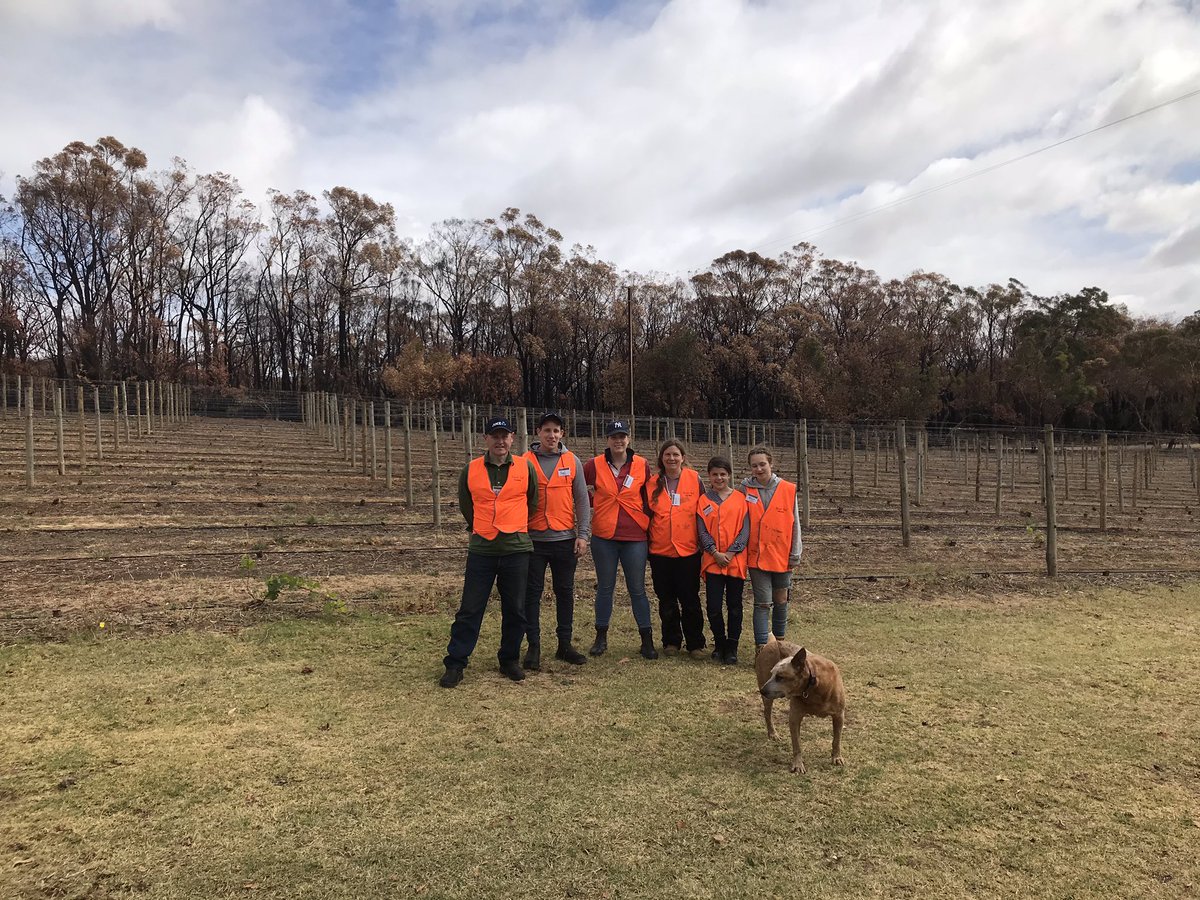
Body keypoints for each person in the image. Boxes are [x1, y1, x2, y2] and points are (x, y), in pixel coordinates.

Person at [439, 417, 540, 688]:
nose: (500, 441)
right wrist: (480, 526)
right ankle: (456, 662)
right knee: (470, 609)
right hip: (482, 549)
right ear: (486, 439)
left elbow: (532, 501)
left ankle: (509, 659)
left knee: (515, 609)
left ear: (512, 438)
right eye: (495, 436)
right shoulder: (471, 469)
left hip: (516, 548)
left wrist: (514, 525)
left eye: (505, 436)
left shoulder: (525, 467)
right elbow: (466, 504)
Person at [583, 420, 659, 660]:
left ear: (629, 439)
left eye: (622, 436)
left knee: (637, 589)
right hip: (604, 536)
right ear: (607, 439)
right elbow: (578, 490)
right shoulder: (594, 465)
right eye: (614, 436)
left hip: (635, 536)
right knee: (605, 588)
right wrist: (594, 502)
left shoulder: (642, 465)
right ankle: (600, 637)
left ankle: (646, 640)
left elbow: (649, 497)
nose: (618, 441)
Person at [521, 411, 591, 669]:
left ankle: (564, 644)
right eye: (547, 430)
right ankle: (534, 646)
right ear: (537, 432)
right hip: (533, 540)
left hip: (564, 538)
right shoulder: (524, 462)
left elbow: (582, 500)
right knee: (532, 594)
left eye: (556, 430)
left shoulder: (572, 461)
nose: (552, 435)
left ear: (562, 434)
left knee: (565, 592)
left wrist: (583, 535)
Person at [646, 439, 706, 658]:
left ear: (683, 457)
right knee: (666, 598)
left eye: (676, 454)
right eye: (667, 455)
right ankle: (671, 641)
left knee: (690, 598)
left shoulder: (694, 479)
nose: (671, 458)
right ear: (661, 458)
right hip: (660, 551)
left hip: (688, 551)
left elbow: (704, 511)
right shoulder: (652, 482)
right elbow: (647, 515)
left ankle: (695, 643)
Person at [740, 445, 802, 653]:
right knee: (762, 603)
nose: (758, 469)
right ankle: (762, 648)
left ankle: (780, 644)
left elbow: (795, 523)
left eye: (762, 464)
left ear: (771, 464)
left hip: (782, 554)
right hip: (757, 556)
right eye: (754, 466)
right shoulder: (745, 489)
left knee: (781, 600)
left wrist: (796, 552)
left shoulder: (786, 489)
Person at [697, 455, 750, 664]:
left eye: (723, 474)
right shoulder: (704, 501)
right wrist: (714, 552)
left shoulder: (741, 499)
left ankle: (732, 646)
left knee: (735, 606)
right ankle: (719, 643)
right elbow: (701, 531)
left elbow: (745, 529)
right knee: (713, 606)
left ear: (729, 475)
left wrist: (731, 552)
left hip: (735, 561)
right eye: (715, 474)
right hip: (713, 562)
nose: (719, 478)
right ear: (709, 476)